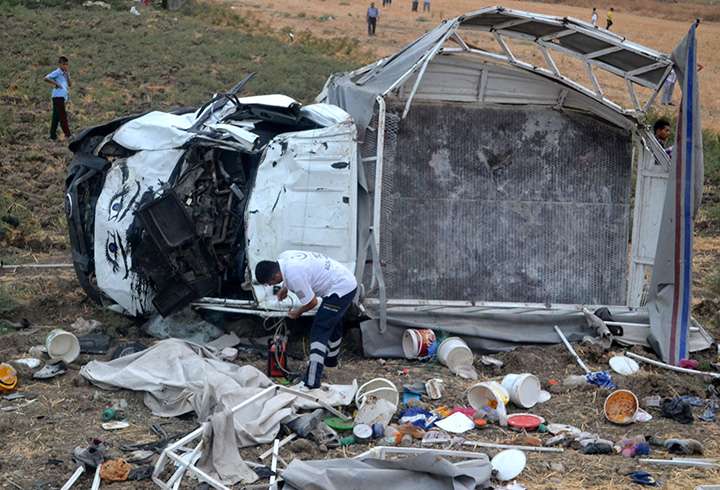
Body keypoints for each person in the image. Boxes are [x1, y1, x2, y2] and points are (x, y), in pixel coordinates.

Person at [255, 251, 358, 389]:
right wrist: (285, 288)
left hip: (341, 288)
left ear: (276, 275)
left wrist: (298, 312)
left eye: (270, 282)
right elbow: (293, 275)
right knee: (332, 320)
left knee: (319, 330)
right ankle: (331, 361)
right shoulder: (284, 257)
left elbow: (312, 302)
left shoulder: (293, 276)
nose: (270, 286)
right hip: (342, 277)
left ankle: (311, 382)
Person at [44, 56, 72, 140]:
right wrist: (56, 83)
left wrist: (67, 76)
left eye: (67, 64)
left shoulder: (65, 73)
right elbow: (46, 78)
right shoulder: (57, 72)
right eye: (64, 64)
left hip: (62, 97)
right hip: (58, 96)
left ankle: (52, 136)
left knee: (56, 117)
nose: (65, 66)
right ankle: (68, 135)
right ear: (60, 64)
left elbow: (70, 84)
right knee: (63, 116)